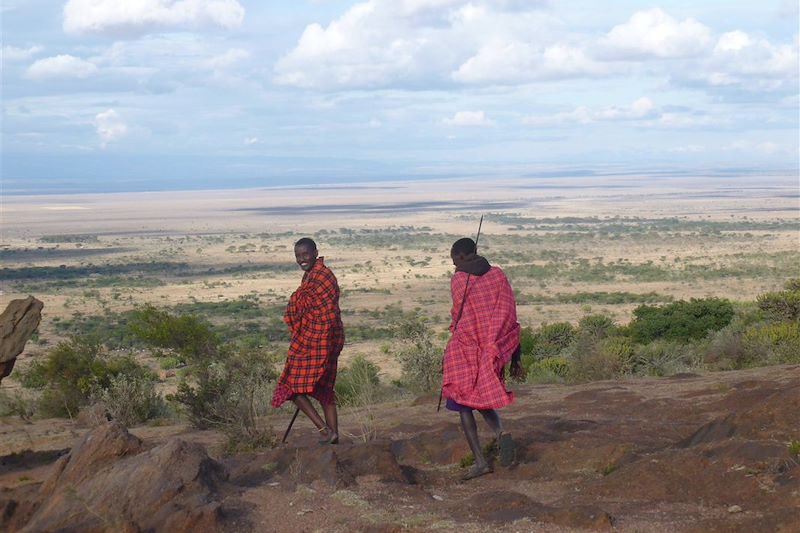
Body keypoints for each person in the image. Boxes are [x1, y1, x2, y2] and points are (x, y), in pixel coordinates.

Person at [442, 237, 522, 480]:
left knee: (462, 403)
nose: (454, 264)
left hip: (465, 350)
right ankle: (500, 433)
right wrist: (514, 355)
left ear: (463, 256)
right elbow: (508, 315)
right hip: (491, 349)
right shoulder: (497, 276)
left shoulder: (459, 280)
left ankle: (480, 461)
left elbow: (459, 316)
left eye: (455, 259)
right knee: (482, 396)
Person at [271, 237, 344, 444]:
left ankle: (326, 432)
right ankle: (334, 438)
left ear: (315, 253)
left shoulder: (323, 277)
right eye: (298, 256)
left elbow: (326, 315)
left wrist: (313, 337)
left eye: (305, 255)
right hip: (319, 340)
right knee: (324, 391)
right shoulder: (311, 277)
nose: (301, 259)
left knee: (292, 388)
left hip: (321, 341)